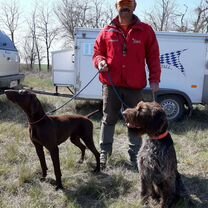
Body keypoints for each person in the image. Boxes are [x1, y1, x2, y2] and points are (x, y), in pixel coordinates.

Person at [93, 0, 161, 169]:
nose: (125, 11)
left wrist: (154, 79)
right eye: (122, 8)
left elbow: (153, 56)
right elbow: (97, 52)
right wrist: (100, 62)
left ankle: (135, 156)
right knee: (108, 119)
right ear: (117, 9)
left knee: (136, 121)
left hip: (134, 86)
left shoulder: (145, 30)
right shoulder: (107, 31)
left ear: (133, 9)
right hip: (111, 85)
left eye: (128, 8)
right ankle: (104, 154)